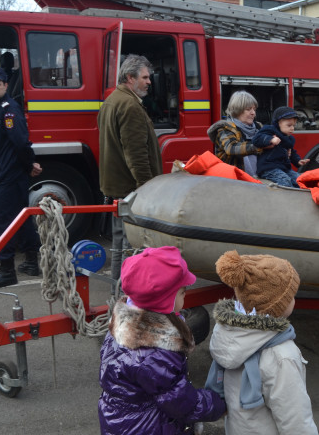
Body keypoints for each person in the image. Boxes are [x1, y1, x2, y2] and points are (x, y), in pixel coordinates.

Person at [98, 246, 226, 434]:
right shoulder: (155, 352)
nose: (185, 294)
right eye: (182, 292)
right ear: (164, 299)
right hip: (147, 427)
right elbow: (181, 402)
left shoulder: (123, 327)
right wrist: (217, 405)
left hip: (121, 421)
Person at [206, 250, 319, 434]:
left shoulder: (230, 337)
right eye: (290, 296)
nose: (294, 299)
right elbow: (295, 419)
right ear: (276, 306)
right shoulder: (282, 355)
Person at [98, 54, 162, 283]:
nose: (149, 82)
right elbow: (136, 155)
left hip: (117, 187)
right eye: (144, 77)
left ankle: (118, 293)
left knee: (119, 244)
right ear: (129, 77)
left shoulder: (112, 101)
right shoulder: (130, 106)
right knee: (130, 245)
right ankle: (127, 296)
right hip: (130, 189)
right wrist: (147, 189)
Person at [0, 66, 42, 291]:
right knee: (20, 218)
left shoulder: (9, 111)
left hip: (10, 175)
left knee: (0, 222)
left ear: (5, 86)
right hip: (4, 173)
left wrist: (30, 164)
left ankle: (6, 272)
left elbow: (21, 143)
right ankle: (32, 262)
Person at [207, 90, 264, 177]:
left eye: (254, 109)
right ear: (237, 110)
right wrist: (259, 145)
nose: (253, 113)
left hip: (260, 179)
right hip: (234, 182)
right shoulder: (225, 128)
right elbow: (231, 148)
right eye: (248, 109)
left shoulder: (259, 127)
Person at [252, 106, 310, 187]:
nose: (292, 128)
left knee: (300, 179)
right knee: (285, 181)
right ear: (278, 123)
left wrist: (298, 161)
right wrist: (270, 139)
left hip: (284, 168)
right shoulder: (270, 129)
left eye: (294, 125)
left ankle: (299, 197)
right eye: (289, 125)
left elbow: (292, 152)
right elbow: (256, 139)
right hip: (268, 168)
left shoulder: (289, 138)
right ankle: (286, 198)